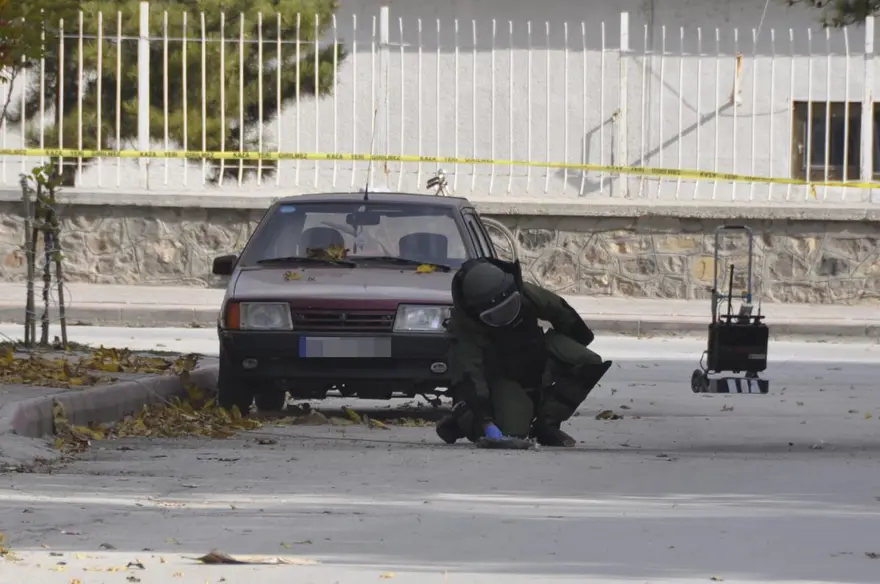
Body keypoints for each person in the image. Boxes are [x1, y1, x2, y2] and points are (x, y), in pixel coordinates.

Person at [436, 257, 612, 447]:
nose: (506, 317)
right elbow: (470, 376)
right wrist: (484, 421)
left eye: (510, 307)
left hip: (537, 352)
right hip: (502, 376)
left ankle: (547, 423)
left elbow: (560, 310)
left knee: (588, 362)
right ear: (477, 312)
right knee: (513, 433)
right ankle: (462, 418)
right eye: (495, 315)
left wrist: (576, 344)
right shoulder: (465, 329)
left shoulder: (526, 294)